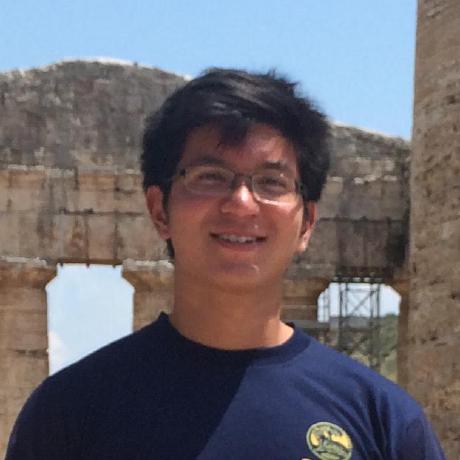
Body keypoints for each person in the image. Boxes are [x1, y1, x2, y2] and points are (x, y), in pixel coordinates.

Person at [6, 68, 445, 460]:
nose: (241, 202)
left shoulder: (385, 423)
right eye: (210, 177)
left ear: (307, 222)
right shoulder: (66, 416)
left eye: (271, 182)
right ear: (159, 210)